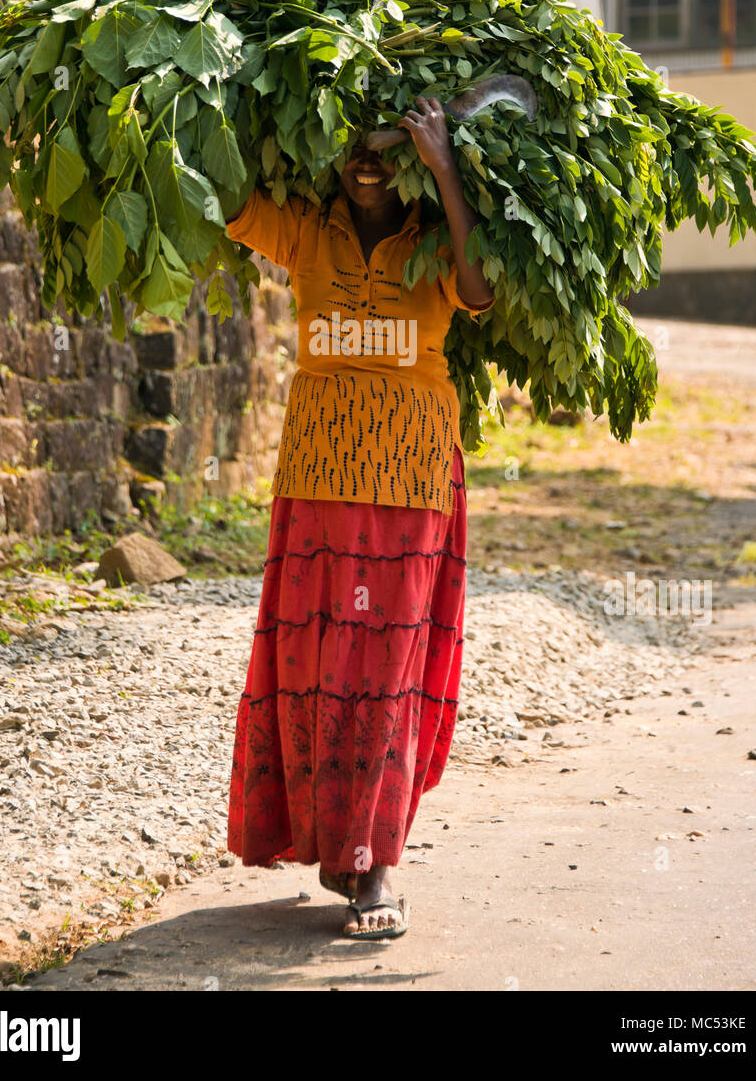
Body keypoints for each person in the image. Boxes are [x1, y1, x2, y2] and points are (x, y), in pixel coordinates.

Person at [224, 95, 494, 940]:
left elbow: (479, 290)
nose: (368, 163)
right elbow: (222, 195)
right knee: (312, 661)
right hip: (316, 470)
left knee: (386, 670)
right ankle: (329, 840)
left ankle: (381, 862)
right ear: (323, 157)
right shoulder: (303, 228)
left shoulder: (431, 235)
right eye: (352, 148)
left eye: (387, 147)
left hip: (411, 474)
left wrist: (444, 163)